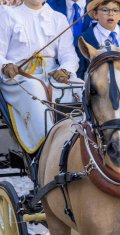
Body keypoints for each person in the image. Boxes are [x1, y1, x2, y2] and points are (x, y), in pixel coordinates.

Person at [0, 0, 81, 154]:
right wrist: (5, 65)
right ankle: (48, 150)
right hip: (18, 76)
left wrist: (65, 70)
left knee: (79, 86)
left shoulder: (58, 18)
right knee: (34, 88)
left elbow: (69, 55)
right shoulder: (7, 14)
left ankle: (80, 145)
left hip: (52, 74)